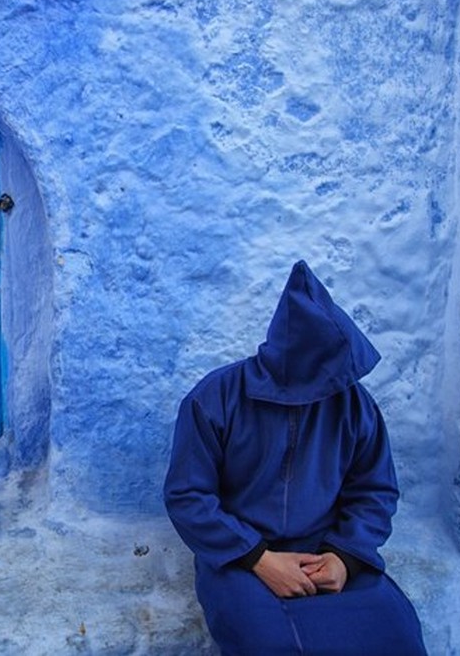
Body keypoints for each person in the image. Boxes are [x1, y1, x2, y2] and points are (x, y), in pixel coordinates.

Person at [164, 260, 426, 655]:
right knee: (271, 643)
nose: (335, 384)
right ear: (296, 357)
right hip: (239, 558)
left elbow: (375, 490)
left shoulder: (353, 405)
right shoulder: (214, 400)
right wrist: (259, 558)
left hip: (327, 551)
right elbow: (188, 496)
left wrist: (343, 558)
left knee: (396, 636)